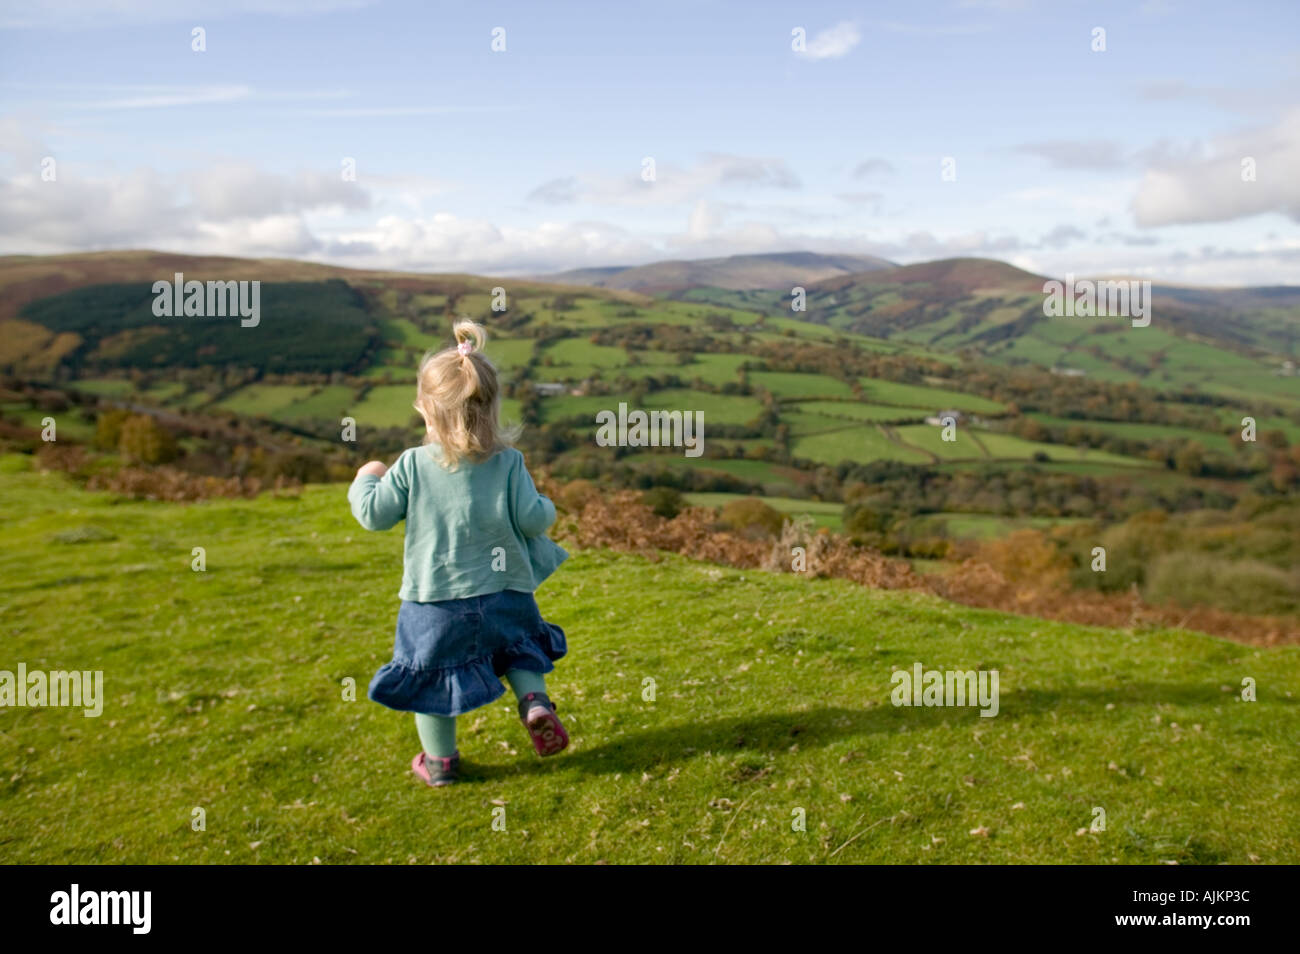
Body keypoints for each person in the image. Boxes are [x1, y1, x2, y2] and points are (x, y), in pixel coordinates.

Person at [348, 318, 570, 787]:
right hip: (506, 591)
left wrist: (367, 474)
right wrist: (547, 504)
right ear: (491, 409)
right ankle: (534, 704)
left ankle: (441, 765)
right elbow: (533, 520)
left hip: (436, 602)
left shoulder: (411, 464)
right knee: (518, 650)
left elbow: (373, 516)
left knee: (431, 681)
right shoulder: (509, 462)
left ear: (426, 411)